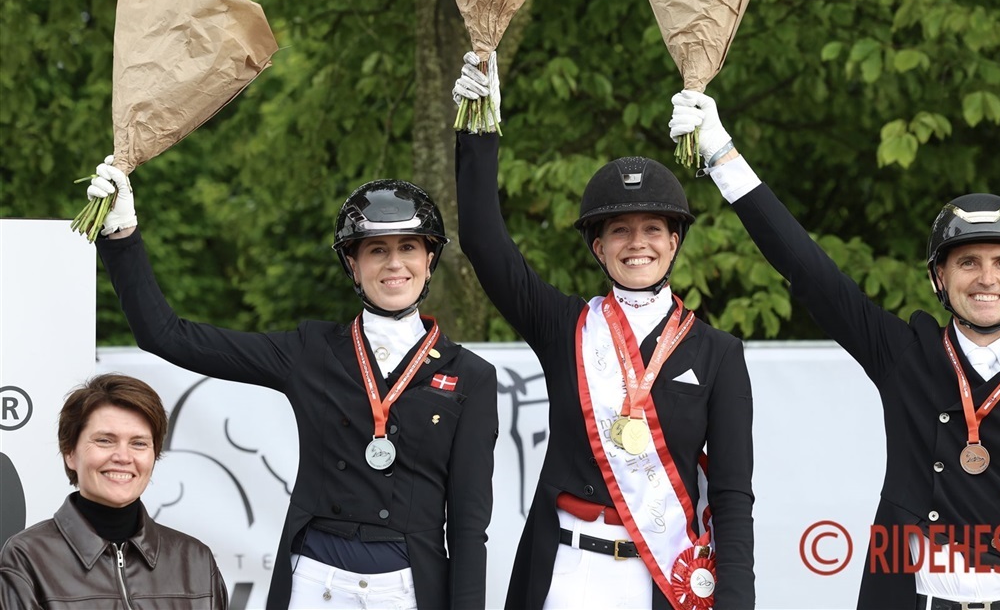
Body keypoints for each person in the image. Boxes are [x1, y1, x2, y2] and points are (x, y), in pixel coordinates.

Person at [668, 90, 1000, 610]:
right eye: (967, 262)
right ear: (939, 277)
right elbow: (808, 270)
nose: (986, 279)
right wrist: (721, 154)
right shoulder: (908, 355)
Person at [83, 160, 498, 610]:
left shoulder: (471, 376)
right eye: (376, 249)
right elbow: (165, 336)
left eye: (408, 247)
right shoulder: (311, 349)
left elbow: (469, 527)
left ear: (429, 260)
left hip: (408, 591)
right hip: (313, 585)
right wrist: (121, 235)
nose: (394, 263)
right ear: (353, 265)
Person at [453, 53, 754, 610]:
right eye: (620, 230)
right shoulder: (564, 325)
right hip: (568, 573)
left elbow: (732, 495)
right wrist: (480, 126)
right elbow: (483, 242)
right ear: (599, 246)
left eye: (652, 228)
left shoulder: (718, 353)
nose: (637, 243)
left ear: (674, 242)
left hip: (667, 576)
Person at [0, 373, 228, 609]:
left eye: (138, 443)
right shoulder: (27, 557)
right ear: (70, 453)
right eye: (105, 441)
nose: (123, 457)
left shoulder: (195, 560)